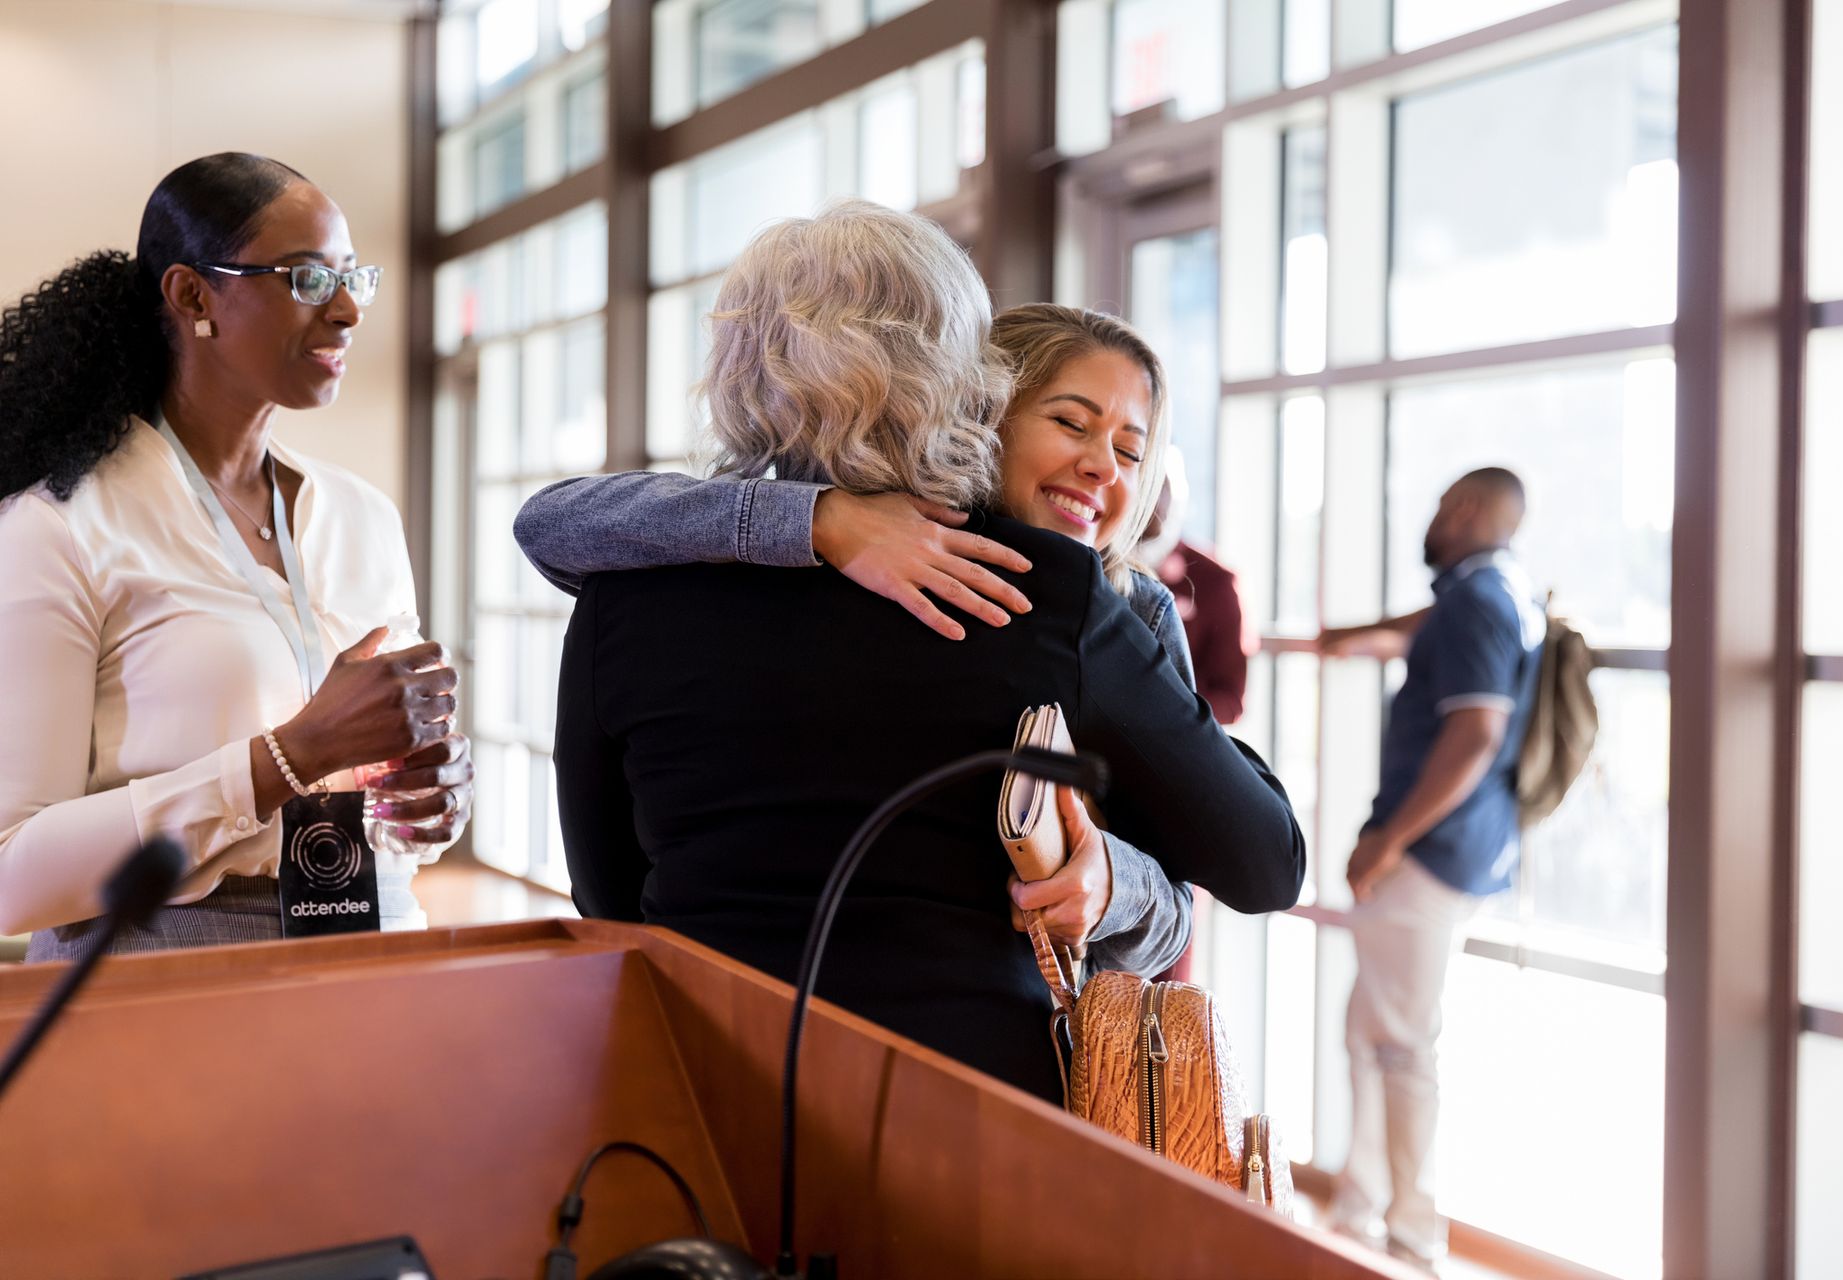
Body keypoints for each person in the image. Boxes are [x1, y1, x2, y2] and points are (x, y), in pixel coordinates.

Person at [549, 201, 1305, 1099]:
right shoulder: (1043, 591)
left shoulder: (623, 588)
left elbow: (607, 897)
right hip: (971, 1115)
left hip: (701, 1079)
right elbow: (1266, 862)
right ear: (965, 374)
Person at [517, 302, 1227, 976]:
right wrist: (819, 519)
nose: (1104, 465)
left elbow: (1181, 906)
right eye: (1072, 423)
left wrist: (1112, 886)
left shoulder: (1138, 611)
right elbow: (551, 522)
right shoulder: (875, 551)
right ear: (986, 416)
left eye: (1132, 453)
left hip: (1030, 1038)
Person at [0, 153, 472, 957]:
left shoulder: (363, 517)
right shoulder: (60, 525)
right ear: (192, 295)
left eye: (355, 277)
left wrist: (427, 802)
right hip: (166, 967)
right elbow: (12, 876)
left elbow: (392, 794)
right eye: (308, 279)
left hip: (375, 943)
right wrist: (287, 758)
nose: (351, 309)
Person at [1315, 466, 1546, 1269]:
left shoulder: (1479, 601)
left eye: (1446, 507)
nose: (1433, 519)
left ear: (1476, 511)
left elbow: (1476, 732)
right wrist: (1352, 636)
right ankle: (1364, 1201)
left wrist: (1388, 839)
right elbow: (1429, 622)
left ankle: (1408, 1226)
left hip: (1428, 854)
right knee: (1375, 1027)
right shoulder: (1498, 591)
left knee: (1401, 1038)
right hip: (1464, 849)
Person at [1137, 447, 1250, 726]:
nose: (1149, 500)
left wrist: (1169, 706)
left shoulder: (1215, 581)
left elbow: (1231, 699)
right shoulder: (1096, 559)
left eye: (1159, 487)